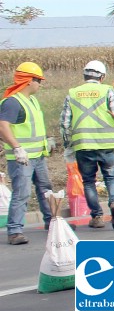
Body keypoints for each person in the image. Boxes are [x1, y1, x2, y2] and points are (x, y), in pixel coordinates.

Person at [60, 60, 114, 230]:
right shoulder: (107, 91)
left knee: (89, 181)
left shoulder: (72, 93)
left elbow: (65, 123)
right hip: (106, 145)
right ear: (102, 77)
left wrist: (68, 145)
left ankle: (96, 216)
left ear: (84, 75)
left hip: (83, 146)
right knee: (111, 178)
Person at [0, 62, 52, 245]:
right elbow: (2, 126)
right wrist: (16, 147)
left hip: (37, 156)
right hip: (21, 159)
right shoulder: (12, 102)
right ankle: (14, 231)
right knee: (22, 193)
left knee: (45, 190)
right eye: (38, 80)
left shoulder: (32, 101)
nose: (40, 84)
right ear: (29, 81)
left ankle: (52, 222)